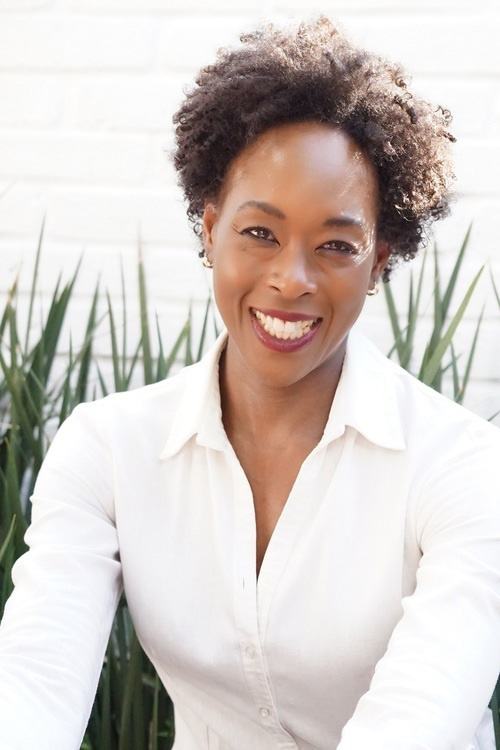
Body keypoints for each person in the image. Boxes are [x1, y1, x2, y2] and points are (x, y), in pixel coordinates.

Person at [1, 13, 499, 750]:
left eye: (337, 245)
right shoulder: (108, 449)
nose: (291, 279)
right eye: (260, 233)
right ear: (210, 229)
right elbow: (36, 679)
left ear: (379, 261)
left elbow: (421, 714)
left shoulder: (459, 466)